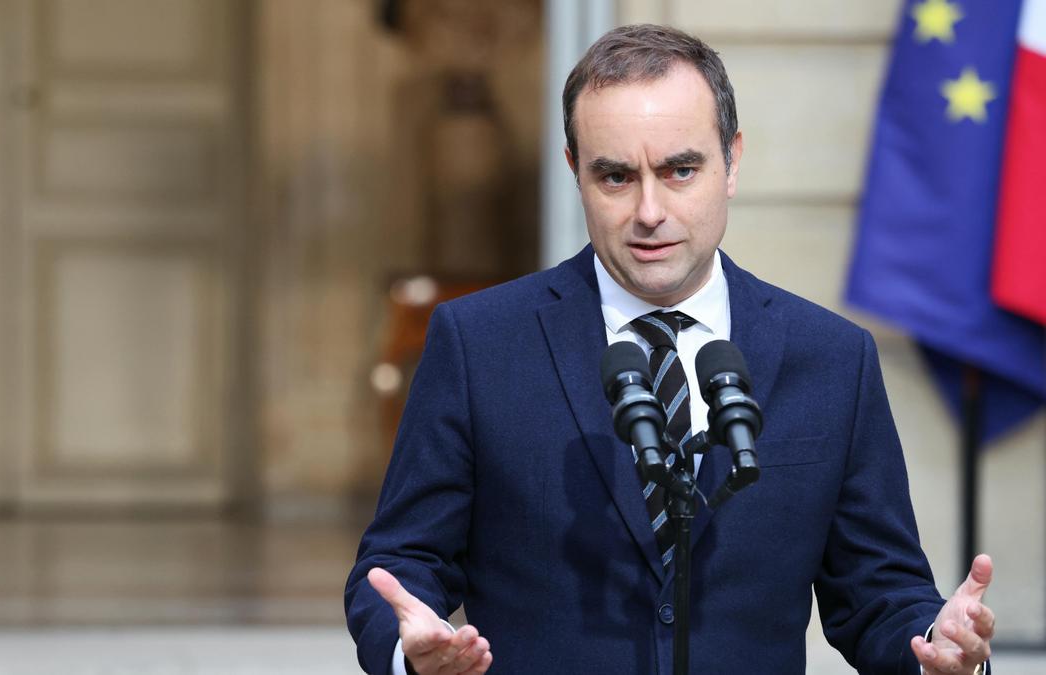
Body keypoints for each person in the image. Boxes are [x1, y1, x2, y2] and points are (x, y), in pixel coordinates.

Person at [345, 23, 996, 675]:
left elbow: (880, 594)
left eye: (680, 170)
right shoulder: (477, 343)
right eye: (617, 176)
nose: (649, 210)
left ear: (732, 161)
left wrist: (934, 643)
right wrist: (410, 649)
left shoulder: (832, 357)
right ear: (575, 171)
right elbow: (401, 563)